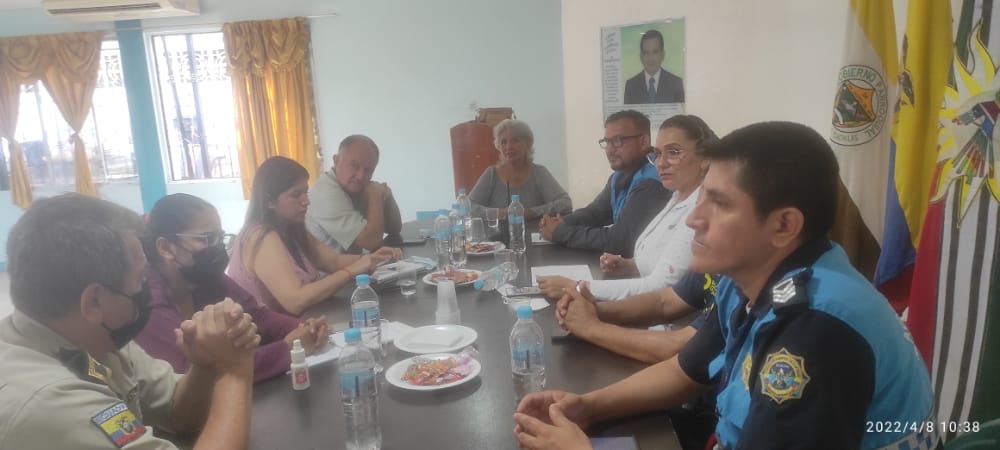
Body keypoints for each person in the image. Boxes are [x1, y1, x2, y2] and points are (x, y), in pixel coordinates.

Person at [514, 122, 937, 450]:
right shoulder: (750, 277)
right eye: (701, 197)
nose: (694, 218)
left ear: (784, 226)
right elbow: (686, 372)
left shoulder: (816, 328)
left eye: (718, 203)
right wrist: (588, 406)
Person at [0, 193, 259, 450]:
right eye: (140, 279)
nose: (148, 288)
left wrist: (205, 364)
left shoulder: (96, 339)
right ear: (94, 302)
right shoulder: (47, 402)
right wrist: (233, 369)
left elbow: (176, 413)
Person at [136, 193, 331, 383]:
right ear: (165, 248)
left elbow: (258, 317)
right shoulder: (147, 302)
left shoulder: (208, 280)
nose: (217, 247)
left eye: (220, 238)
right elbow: (195, 372)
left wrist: (306, 328)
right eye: (205, 239)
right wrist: (288, 349)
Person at [537, 115, 714, 299]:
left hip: (660, 309)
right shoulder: (676, 195)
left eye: (674, 152)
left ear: (705, 158)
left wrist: (577, 287)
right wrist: (632, 266)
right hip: (647, 303)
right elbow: (596, 212)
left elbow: (661, 289)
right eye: (658, 154)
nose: (661, 163)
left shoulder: (691, 205)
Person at [228, 156, 402, 317]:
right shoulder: (260, 237)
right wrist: (352, 271)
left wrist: (372, 259)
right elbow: (296, 301)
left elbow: (333, 261)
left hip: (305, 323)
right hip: (274, 335)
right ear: (269, 201)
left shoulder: (291, 227)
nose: (306, 201)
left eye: (306, 192)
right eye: (296, 195)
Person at [538, 110, 670, 257]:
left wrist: (561, 233)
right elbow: (595, 214)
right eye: (607, 142)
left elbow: (621, 240)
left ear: (643, 142)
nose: (609, 150)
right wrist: (560, 222)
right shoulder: (619, 175)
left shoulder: (652, 180)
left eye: (618, 140)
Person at [306, 135, 403, 254]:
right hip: (329, 267)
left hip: (353, 263)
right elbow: (372, 242)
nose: (360, 176)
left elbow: (394, 229)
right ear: (336, 161)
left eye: (368, 170)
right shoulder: (325, 194)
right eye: (354, 166)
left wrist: (387, 195)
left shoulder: (354, 187)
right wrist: (375, 196)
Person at [467, 119, 572, 219]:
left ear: (528, 144)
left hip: (536, 232)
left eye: (515, 140)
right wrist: (498, 213)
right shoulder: (491, 174)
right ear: (498, 146)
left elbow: (565, 203)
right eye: (503, 142)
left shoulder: (539, 172)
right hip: (497, 232)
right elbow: (468, 207)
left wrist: (531, 212)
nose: (509, 147)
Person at [623, 29, 685, 104]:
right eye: (646, 52)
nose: (650, 58)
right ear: (641, 56)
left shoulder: (676, 83)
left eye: (655, 52)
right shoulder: (631, 86)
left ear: (662, 55)